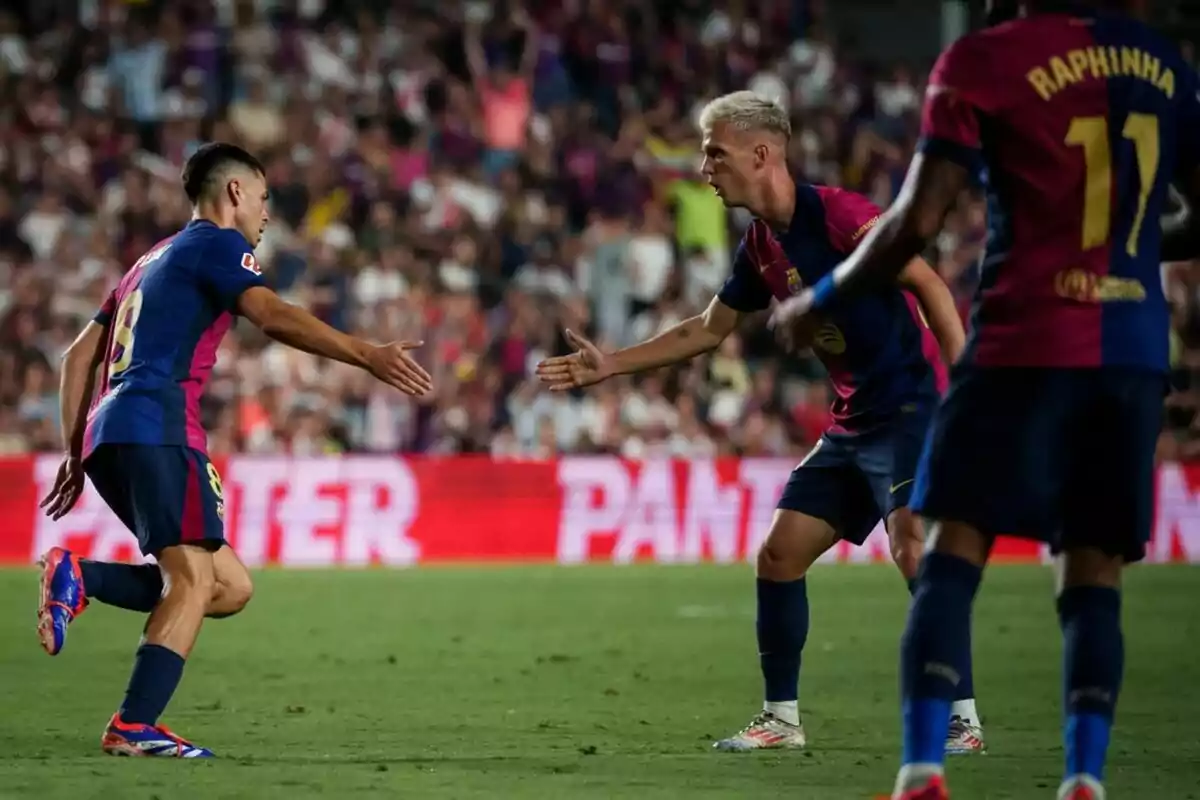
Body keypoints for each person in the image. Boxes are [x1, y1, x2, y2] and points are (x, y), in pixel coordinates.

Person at [767, 2, 1200, 798]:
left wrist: (813, 297)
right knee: (1092, 572)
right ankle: (1083, 778)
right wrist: (1122, 246)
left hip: (1022, 343)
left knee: (949, 552)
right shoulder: (1160, 61)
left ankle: (924, 770)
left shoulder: (983, 60)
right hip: (1133, 352)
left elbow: (913, 225)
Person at [536, 91, 986, 755]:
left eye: (715, 153)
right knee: (779, 556)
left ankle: (961, 718)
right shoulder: (759, 245)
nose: (704, 167)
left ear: (762, 153)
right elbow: (708, 329)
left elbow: (930, 287)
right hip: (853, 422)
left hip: (913, 407)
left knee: (913, 549)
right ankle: (781, 720)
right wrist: (613, 366)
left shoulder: (840, 214)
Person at [37, 142, 433, 757]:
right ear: (235, 193)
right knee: (193, 579)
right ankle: (133, 725)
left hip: (108, 433)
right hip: (159, 425)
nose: (268, 215)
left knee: (228, 586)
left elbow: (76, 357)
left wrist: (72, 450)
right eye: (266, 198)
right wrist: (366, 354)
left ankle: (79, 576)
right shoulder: (216, 243)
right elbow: (270, 315)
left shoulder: (147, 259)